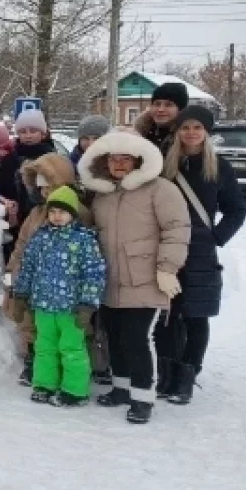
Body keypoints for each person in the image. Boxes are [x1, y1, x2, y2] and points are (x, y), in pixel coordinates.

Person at [79, 129, 190, 425]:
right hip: (109, 279)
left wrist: (167, 268)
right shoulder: (103, 194)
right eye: (113, 159)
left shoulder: (160, 189)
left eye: (125, 158)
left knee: (136, 338)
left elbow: (177, 229)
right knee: (114, 336)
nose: (119, 164)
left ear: (138, 160)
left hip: (146, 279)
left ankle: (142, 398)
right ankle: (121, 388)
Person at [157, 105, 246, 404]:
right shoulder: (165, 165)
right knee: (168, 314)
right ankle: (166, 375)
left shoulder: (219, 167)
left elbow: (237, 209)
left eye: (197, 127)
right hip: (167, 247)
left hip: (200, 252)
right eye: (185, 127)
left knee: (196, 315)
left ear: (207, 132)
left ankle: (187, 376)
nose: (191, 133)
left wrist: (216, 237)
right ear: (178, 131)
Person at [5, 153, 98, 387]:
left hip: (68, 289)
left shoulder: (79, 213)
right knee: (33, 324)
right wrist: (12, 272)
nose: (44, 191)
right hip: (38, 284)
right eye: (40, 187)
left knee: (69, 334)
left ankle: (71, 376)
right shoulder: (36, 213)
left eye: (49, 185)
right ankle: (36, 364)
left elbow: (89, 256)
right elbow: (22, 246)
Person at [13, 186, 107, 406]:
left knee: (71, 348)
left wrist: (87, 304)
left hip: (71, 309)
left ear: (72, 214)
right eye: (53, 211)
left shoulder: (84, 240)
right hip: (43, 305)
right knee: (44, 347)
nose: (57, 216)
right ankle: (45, 384)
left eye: (62, 212)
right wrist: (21, 294)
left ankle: (75, 391)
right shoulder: (40, 237)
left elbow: (94, 274)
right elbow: (28, 267)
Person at [0, 108, 56, 226]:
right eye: (23, 132)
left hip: (45, 220)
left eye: (33, 131)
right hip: (14, 221)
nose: (28, 136)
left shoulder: (53, 159)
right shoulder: (9, 159)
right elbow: (2, 191)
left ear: (43, 133)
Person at [135, 81, 188, 153]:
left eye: (168, 105)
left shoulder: (189, 139)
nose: (160, 109)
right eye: (157, 104)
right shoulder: (139, 134)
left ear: (180, 109)